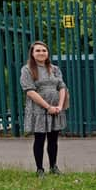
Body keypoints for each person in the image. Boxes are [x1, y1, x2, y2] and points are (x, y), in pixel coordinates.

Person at [20, 41, 68, 178]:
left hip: (56, 109)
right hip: (38, 110)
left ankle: (54, 167)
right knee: (39, 139)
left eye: (44, 50)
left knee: (53, 139)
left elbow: (62, 86)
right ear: (32, 53)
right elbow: (29, 91)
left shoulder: (54, 69)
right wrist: (48, 107)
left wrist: (59, 105)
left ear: (47, 53)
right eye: (38, 51)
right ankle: (39, 169)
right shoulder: (27, 69)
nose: (41, 53)